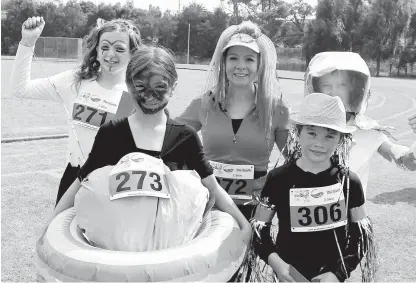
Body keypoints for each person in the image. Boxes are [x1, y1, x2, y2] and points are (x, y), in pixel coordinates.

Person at [47, 45, 252, 248]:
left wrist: (243, 224)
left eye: (159, 87)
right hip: (119, 248)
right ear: (128, 85)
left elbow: (212, 187)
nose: (150, 96)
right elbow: (81, 181)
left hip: (168, 250)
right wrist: (50, 226)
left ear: (173, 87)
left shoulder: (185, 137)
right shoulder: (111, 134)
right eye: (141, 87)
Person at [10, 16, 142, 205]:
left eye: (120, 49)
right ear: (96, 50)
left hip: (114, 185)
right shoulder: (75, 81)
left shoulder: (137, 95)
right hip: (74, 177)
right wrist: (27, 42)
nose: (110, 54)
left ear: (133, 53)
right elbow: (20, 89)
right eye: (104, 47)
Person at [251, 93, 376, 282]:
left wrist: (338, 273)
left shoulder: (350, 182)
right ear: (297, 133)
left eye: (329, 136)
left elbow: (361, 236)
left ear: (341, 139)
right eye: (312, 133)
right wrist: (277, 263)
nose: (320, 143)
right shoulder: (278, 179)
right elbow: (259, 229)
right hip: (288, 276)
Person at [176, 21, 290, 220]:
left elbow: (296, 160)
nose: (241, 66)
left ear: (259, 64)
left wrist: (270, 181)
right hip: (208, 205)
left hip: (255, 208)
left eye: (249, 59)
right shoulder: (204, 103)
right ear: (223, 62)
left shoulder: (277, 108)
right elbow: (172, 137)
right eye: (233, 58)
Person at [304, 52, 416, 196]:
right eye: (326, 85)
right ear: (316, 88)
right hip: (309, 214)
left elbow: (408, 162)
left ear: (355, 89)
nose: (333, 92)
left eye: (342, 85)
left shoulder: (368, 131)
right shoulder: (303, 129)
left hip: (352, 215)